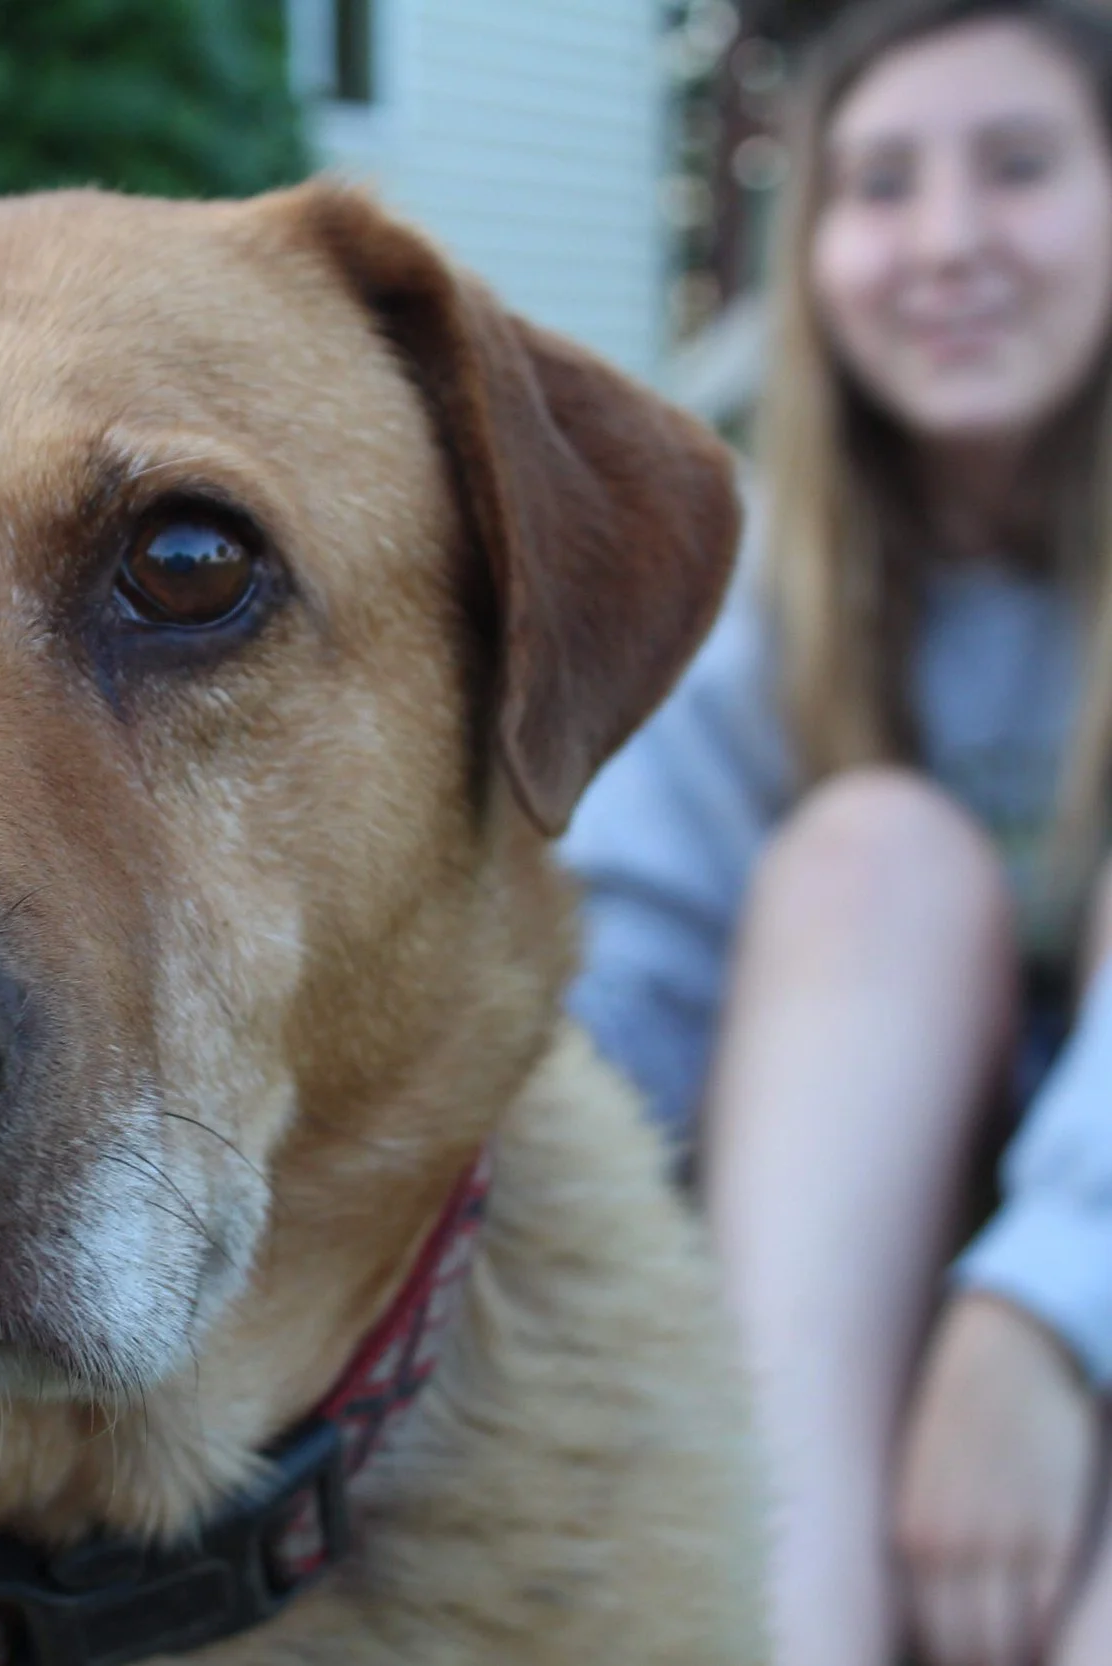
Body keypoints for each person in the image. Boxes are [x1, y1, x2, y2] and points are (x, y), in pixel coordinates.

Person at [564, 4, 1112, 1664]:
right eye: (880, 186)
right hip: (820, 1308)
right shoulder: (746, 614)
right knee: (874, 855)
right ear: (813, 251)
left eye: (1018, 167)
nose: (946, 240)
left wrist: (1042, 1312)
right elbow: (609, 1023)